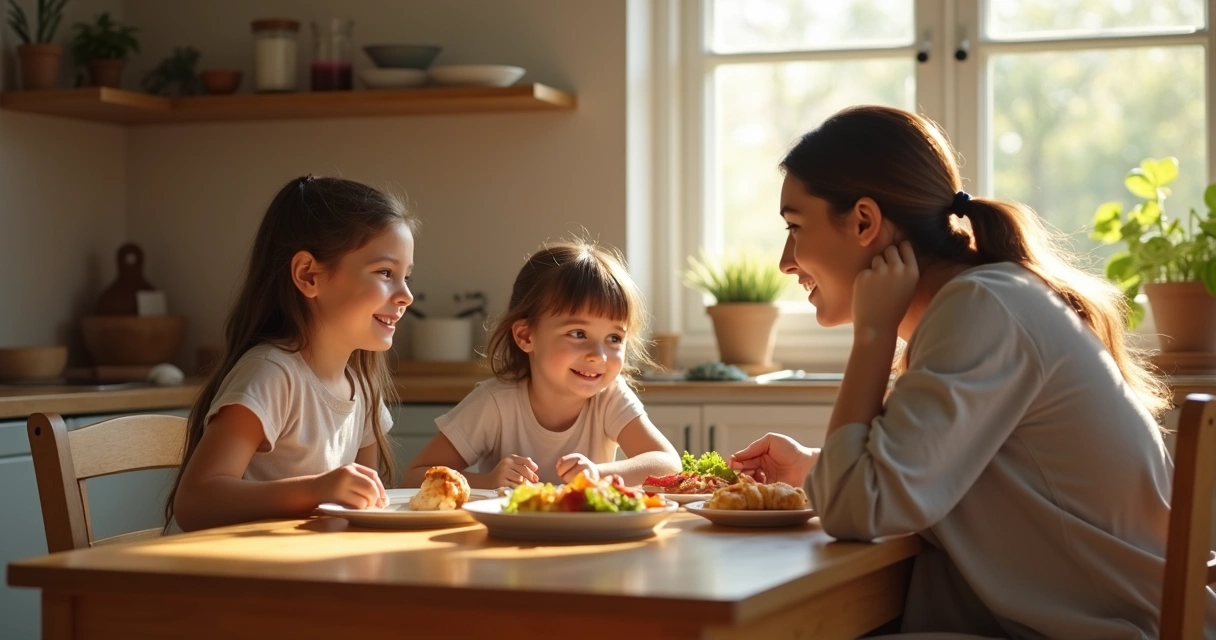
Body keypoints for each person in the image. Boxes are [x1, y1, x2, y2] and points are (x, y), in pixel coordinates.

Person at [728, 105, 1211, 639]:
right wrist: (813, 467)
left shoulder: (982, 311)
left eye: (796, 227)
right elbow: (947, 470)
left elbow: (854, 509)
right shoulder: (989, 300)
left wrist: (872, 335)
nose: (785, 261)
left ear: (865, 221)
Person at [166, 176, 417, 532]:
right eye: (385, 272)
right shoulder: (271, 373)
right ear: (308, 275)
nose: (406, 295)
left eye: (407, 276)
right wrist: (317, 491)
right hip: (243, 580)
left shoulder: (362, 386)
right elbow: (195, 502)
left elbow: (363, 512)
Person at [403, 239, 680, 489]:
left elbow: (667, 463)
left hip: (588, 539)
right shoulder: (495, 403)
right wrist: (487, 482)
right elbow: (414, 476)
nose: (599, 355)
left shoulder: (609, 397)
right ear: (526, 336)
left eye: (614, 337)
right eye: (578, 334)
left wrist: (597, 473)